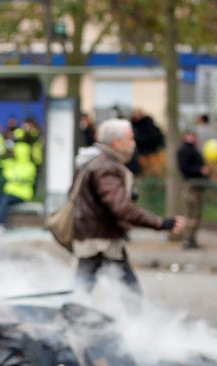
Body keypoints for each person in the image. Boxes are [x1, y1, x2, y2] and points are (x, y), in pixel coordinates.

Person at [71, 119, 184, 310]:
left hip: (95, 237)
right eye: (130, 138)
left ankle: (69, 323)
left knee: (84, 287)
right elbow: (121, 208)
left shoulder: (95, 161)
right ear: (117, 142)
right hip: (102, 241)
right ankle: (135, 331)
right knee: (129, 293)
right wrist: (162, 223)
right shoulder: (106, 167)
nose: (133, 143)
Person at [176, 130, 211, 249]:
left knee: (196, 215)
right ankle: (187, 240)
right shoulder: (185, 150)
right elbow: (185, 168)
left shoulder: (194, 149)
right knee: (190, 215)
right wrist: (200, 170)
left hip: (197, 186)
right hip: (191, 187)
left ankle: (192, 240)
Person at [129, 108, 165, 176]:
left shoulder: (148, 125)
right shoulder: (132, 125)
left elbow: (156, 137)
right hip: (139, 153)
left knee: (153, 172)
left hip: (151, 152)